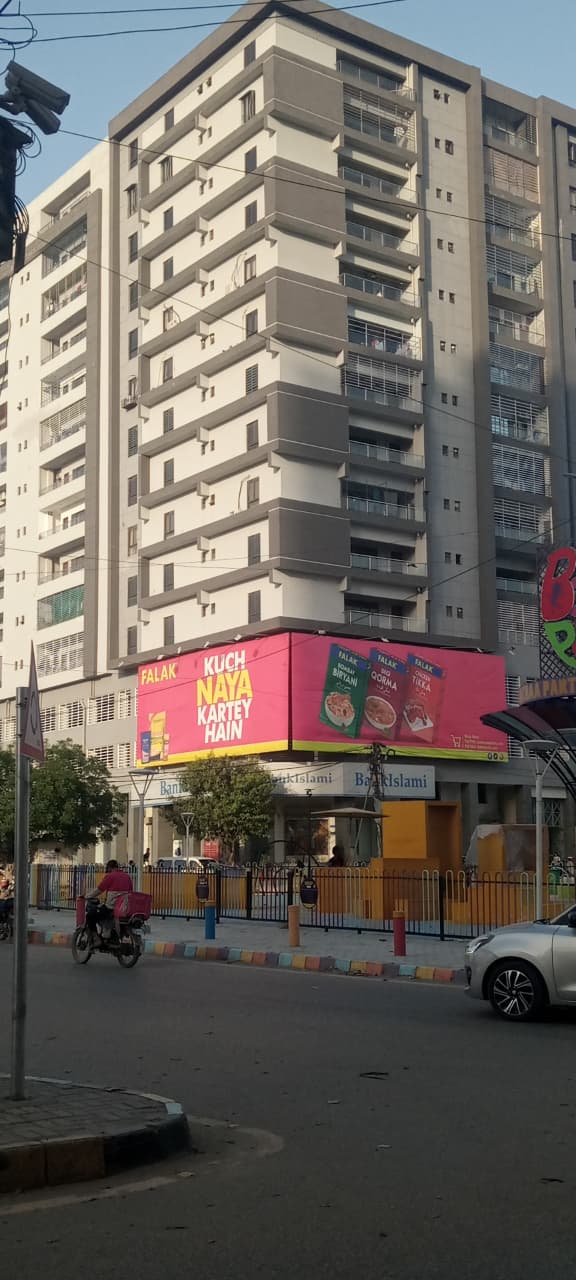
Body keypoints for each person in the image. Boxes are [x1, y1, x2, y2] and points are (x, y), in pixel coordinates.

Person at [85, 859, 133, 939]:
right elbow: (131, 891)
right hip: (125, 908)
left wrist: (87, 896)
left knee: (90, 916)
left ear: (109, 868)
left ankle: (96, 938)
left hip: (111, 907)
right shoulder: (127, 876)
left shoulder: (110, 876)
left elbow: (99, 890)